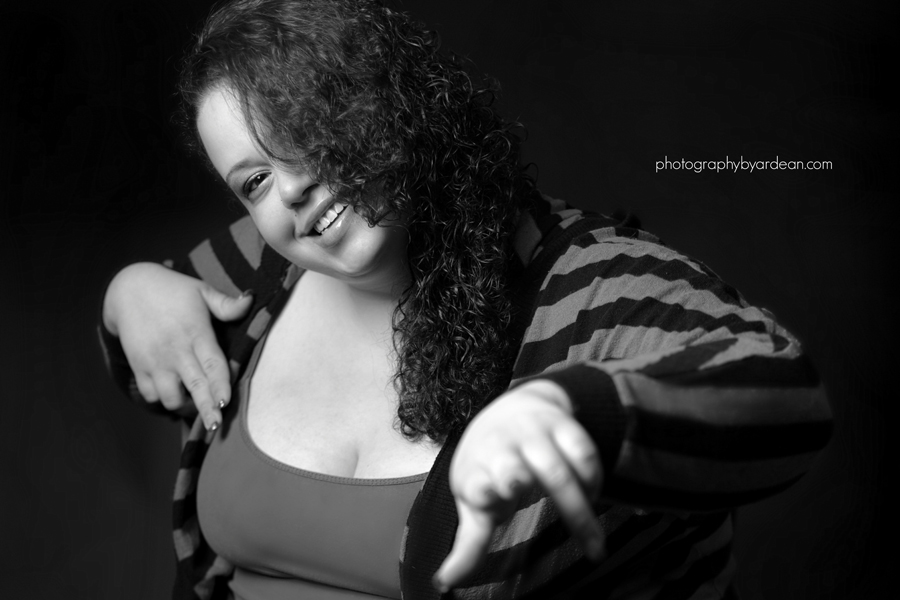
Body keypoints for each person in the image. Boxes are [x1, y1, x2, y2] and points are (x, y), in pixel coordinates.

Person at [99, 0, 833, 598]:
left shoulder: (585, 281)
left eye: (307, 128)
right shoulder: (265, 263)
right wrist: (128, 293)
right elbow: (153, 362)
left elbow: (784, 392)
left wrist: (576, 414)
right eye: (254, 180)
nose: (290, 186)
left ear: (394, 98)